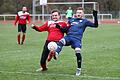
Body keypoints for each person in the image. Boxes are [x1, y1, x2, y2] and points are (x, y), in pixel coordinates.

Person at [48, 7, 98, 76]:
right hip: (68, 37)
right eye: (77, 12)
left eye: (80, 13)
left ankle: (78, 69)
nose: (78, 14)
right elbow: (65, 30)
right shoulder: (71, 20)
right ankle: (56, 53)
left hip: (77, 40)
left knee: (78, 52)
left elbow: (95, 25)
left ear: (83, 14)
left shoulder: (85, 21)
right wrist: (59, 27)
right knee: (61, 41)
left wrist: (95, 16)